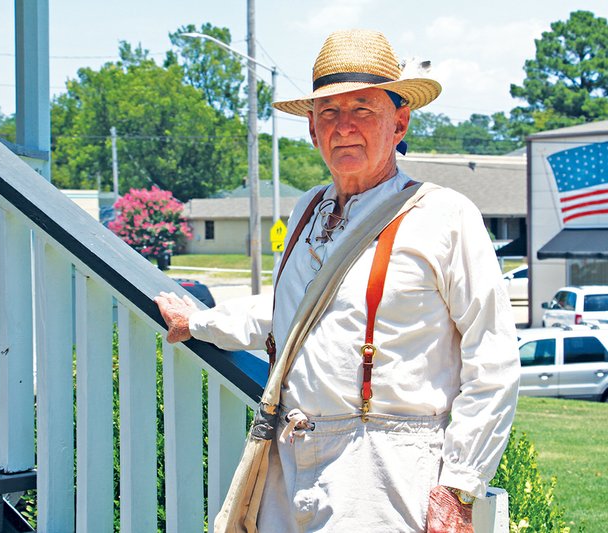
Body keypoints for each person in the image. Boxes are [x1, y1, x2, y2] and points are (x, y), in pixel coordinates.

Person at [155, 29, 520, 533]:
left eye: (363, 108)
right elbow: (294, 311)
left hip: (386, 467)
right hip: (290, 461)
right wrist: (200, 322)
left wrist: (459, 484)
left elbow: (493, 356)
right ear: (311, 128)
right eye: (328, 111)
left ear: (400, 120)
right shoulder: (308, 208)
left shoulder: (445, 215)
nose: (343, 126)